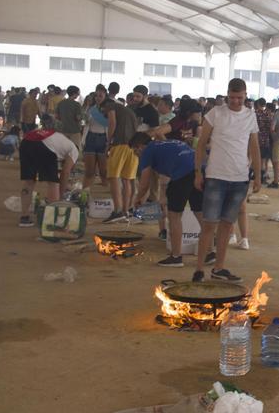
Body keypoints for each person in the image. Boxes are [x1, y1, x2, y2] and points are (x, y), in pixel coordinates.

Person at [192, 78, 261, 282]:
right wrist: (197, 171)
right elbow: (201, 144)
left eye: (239, 98)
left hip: (240, 178)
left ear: (245, 95)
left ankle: (219, 268)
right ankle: (199, 269)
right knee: (208, 224)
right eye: (232, 98)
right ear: (227, 95)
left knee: (226, 225)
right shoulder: (215, 113)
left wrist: (257, 175)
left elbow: (254, 147)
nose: (235, 102)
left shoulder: (250, 116)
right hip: (216, 176)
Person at [130, 132, 202, 267]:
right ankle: (209, 252)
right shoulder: (166, 143)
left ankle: (176, 256)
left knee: (174, 216)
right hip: (199, 171)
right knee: (200, 213)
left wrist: (137, 199)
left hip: (182, 175)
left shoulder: (148, 151)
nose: (135, 154)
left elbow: (144, 183)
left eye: (134, 151)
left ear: (139, 147)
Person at [17, 115, 79, 227]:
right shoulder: (74, 150)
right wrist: (61, 196)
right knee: (52, 182)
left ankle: (24, 217)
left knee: (29, 181)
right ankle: (52, 219)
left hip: (26, 141)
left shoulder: (60, 139)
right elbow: (65, 173)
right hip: (45, 147)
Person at [102, 92, 139, 223]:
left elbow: (112, 123)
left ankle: (117, 211)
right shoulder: (128, 111)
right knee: (127, 180)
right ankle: (125, 211)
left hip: (120, 145)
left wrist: (108, 142)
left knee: (113, 177)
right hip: (133, 146)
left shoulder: (110, 106)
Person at [83, 85, 110, 189]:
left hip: (104, 139)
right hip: (90, 138)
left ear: (105, 96)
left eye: (100, 95)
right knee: (89, 171)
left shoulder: (109, 110)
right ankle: (85, 191)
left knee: (104, 171)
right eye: (96, 96)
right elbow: (84, 123)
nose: (98, 98)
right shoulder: (90, 109)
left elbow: (110, 125)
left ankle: (106, 190)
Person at [55, 86, 83, 151]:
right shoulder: (77, 104)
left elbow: (56, 116)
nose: (78, 94)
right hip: (74, 131)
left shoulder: (61, 103)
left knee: (63, 150)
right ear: (74, 93)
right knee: (74, 150)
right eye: (78, 93)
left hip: (63, 130)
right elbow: (78, 118)